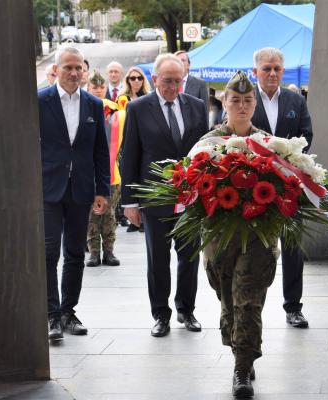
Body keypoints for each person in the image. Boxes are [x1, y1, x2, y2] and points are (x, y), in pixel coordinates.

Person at [120, 53, 208, 337]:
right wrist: (130, 202)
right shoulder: (138, 109)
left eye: (178, 81)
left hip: (190, 199)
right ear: (155, 79)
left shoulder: (196, 107)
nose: (173, 87)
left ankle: (187, 309)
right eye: (167, 81)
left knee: (189, 257)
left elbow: (204, 152)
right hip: (155, 198)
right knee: (158, 259)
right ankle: (161, 314)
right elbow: (129, 156)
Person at [201, 71, 277, 399]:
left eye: (247, 101)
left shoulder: (270, 145)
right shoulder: (208, 143)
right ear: (224, 103)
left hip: (258, 237)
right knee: (228, 298)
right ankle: (239, 348)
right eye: (235, 100)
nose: (242, 106)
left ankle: (242, 368)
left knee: (248, 299)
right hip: (220, 238)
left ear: (255, 104)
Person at [38, 47, 110, 340]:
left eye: (78, 68)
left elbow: (100, 151)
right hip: (48, 188)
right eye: (68, 67)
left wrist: (102, 189)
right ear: (56, 70)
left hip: (81, 189)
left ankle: (68, 311)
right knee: (49, 252)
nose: (74, 73)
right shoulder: (40, 100)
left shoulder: (93, 104)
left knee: (75, 253)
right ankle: (51, 315)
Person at [251, 47, 313, 329]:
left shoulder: (295, 100)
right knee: (256, 246)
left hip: (289, 184)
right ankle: (252, 304)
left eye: (277, 68)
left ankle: (293, 307)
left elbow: (306, 135)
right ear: (256, 72)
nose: (273, 73)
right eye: (267, 68)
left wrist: (287, 157)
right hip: (253, 185)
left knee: (292, 246)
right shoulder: (246, 98)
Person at [84, 71, 120, 267]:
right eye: (94, 87)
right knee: (91, 216)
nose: (98, 90)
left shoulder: (116, 112)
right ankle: (93, 253)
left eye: (101, 87)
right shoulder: (84, 109)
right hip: (88, 173)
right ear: (88, 88)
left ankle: (109, 252)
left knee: (109, 214)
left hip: (112, 172)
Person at [118, 66, 152, 233]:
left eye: (139, 78)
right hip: (125, 140)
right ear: (128, 80)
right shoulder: (121, 98)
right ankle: (133, 217)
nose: (136, 81)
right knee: (129, 175)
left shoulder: (148, 98)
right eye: (132, 78)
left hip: (144, 141)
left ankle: (144, 219)